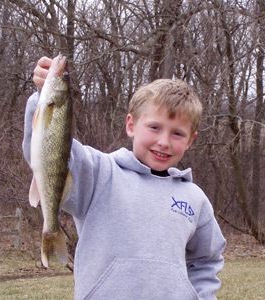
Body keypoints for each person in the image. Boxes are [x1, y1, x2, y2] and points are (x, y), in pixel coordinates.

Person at [23, 56, 226, 300]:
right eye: (154, 127)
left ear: (191, 140)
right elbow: (50, 150)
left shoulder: (195, 199)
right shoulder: (99, 173)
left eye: (177, 133)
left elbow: (206, 260)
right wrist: (41, 96)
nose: (164, 141)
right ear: (131, 125)